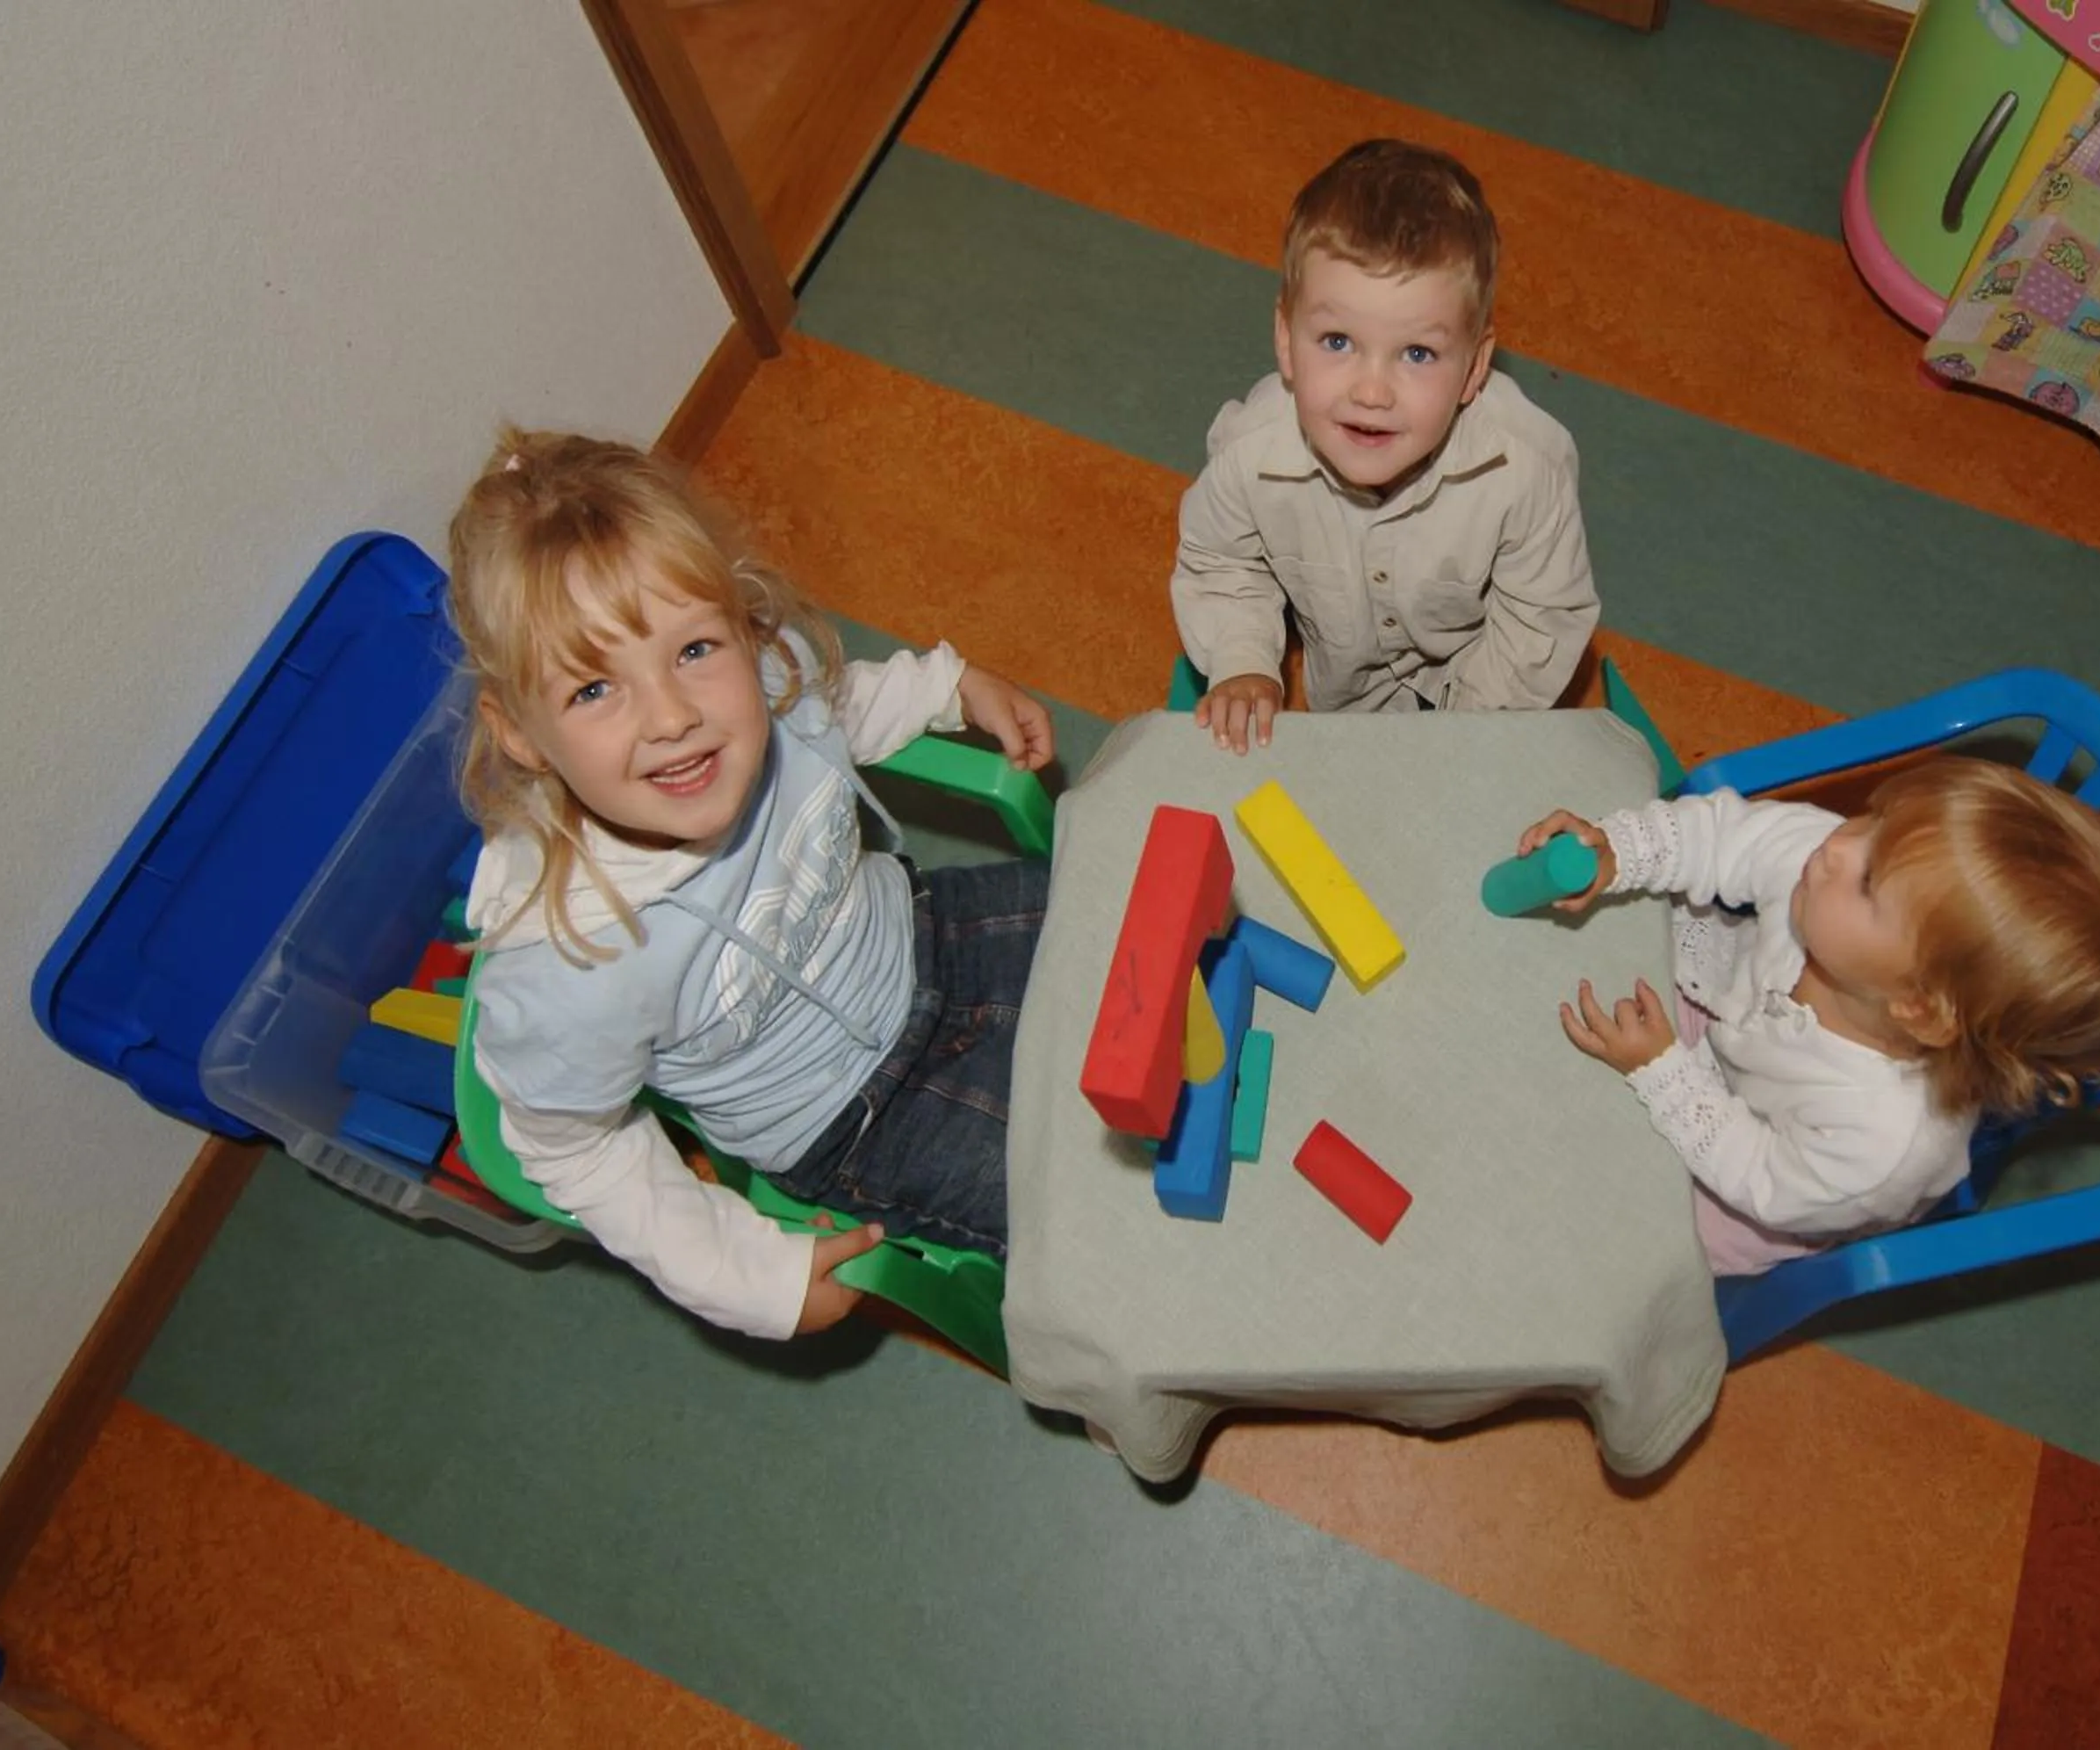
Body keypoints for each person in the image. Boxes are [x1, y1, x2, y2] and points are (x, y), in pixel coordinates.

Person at [447, 428, 1055, 1339]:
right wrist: (749, 1277)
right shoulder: (570, 968)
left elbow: (832, 708)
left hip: (933, 933)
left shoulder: (759, 679)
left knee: (1149, 908)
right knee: (1086, 1207)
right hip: (857, 1118)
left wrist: (948, 687)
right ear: (522, 734)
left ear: (738, 620)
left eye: (694, 649)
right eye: (592, 691)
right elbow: (579, 1152)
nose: (673, 716)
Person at [1519, 757, 2100, 1273]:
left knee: (1601, 1242)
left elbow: (1761, 1177)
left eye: (1871, 882)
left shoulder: (1884, 1144)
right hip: (1722, 1012)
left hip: (1757, 1194)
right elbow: (1724, 838)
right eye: (1876, 818)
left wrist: (1664, 1075)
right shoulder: (1837, 865)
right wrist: (1621, 851)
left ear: (1917, 1007)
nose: (1837, 847)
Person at [1172, 138, 1598, 753]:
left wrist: (1460, 734)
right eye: (1338, 341)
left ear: (1476, 367)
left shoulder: (1526, 473)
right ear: (1287, 339)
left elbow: (1540, 620)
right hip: (1342, 700)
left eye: (1418, 354)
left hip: (1484, 694)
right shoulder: (1250, 455)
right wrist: (1243, 660)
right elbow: (1223, 563)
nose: (1372, 391)